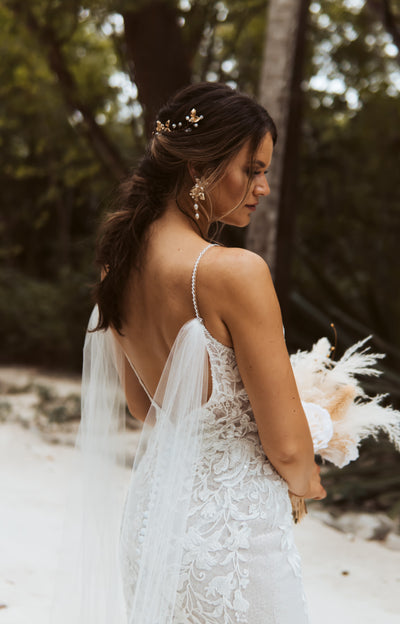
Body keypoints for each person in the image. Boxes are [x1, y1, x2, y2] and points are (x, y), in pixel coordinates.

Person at [72, 82, 326, 624]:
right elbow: (285, 445)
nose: (263, 187)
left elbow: (146, 406)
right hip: (233, 541)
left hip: (152, 526)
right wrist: (310, 476)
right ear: (198, 168)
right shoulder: (235, 272)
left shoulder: (118, 263)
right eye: (251, 170)